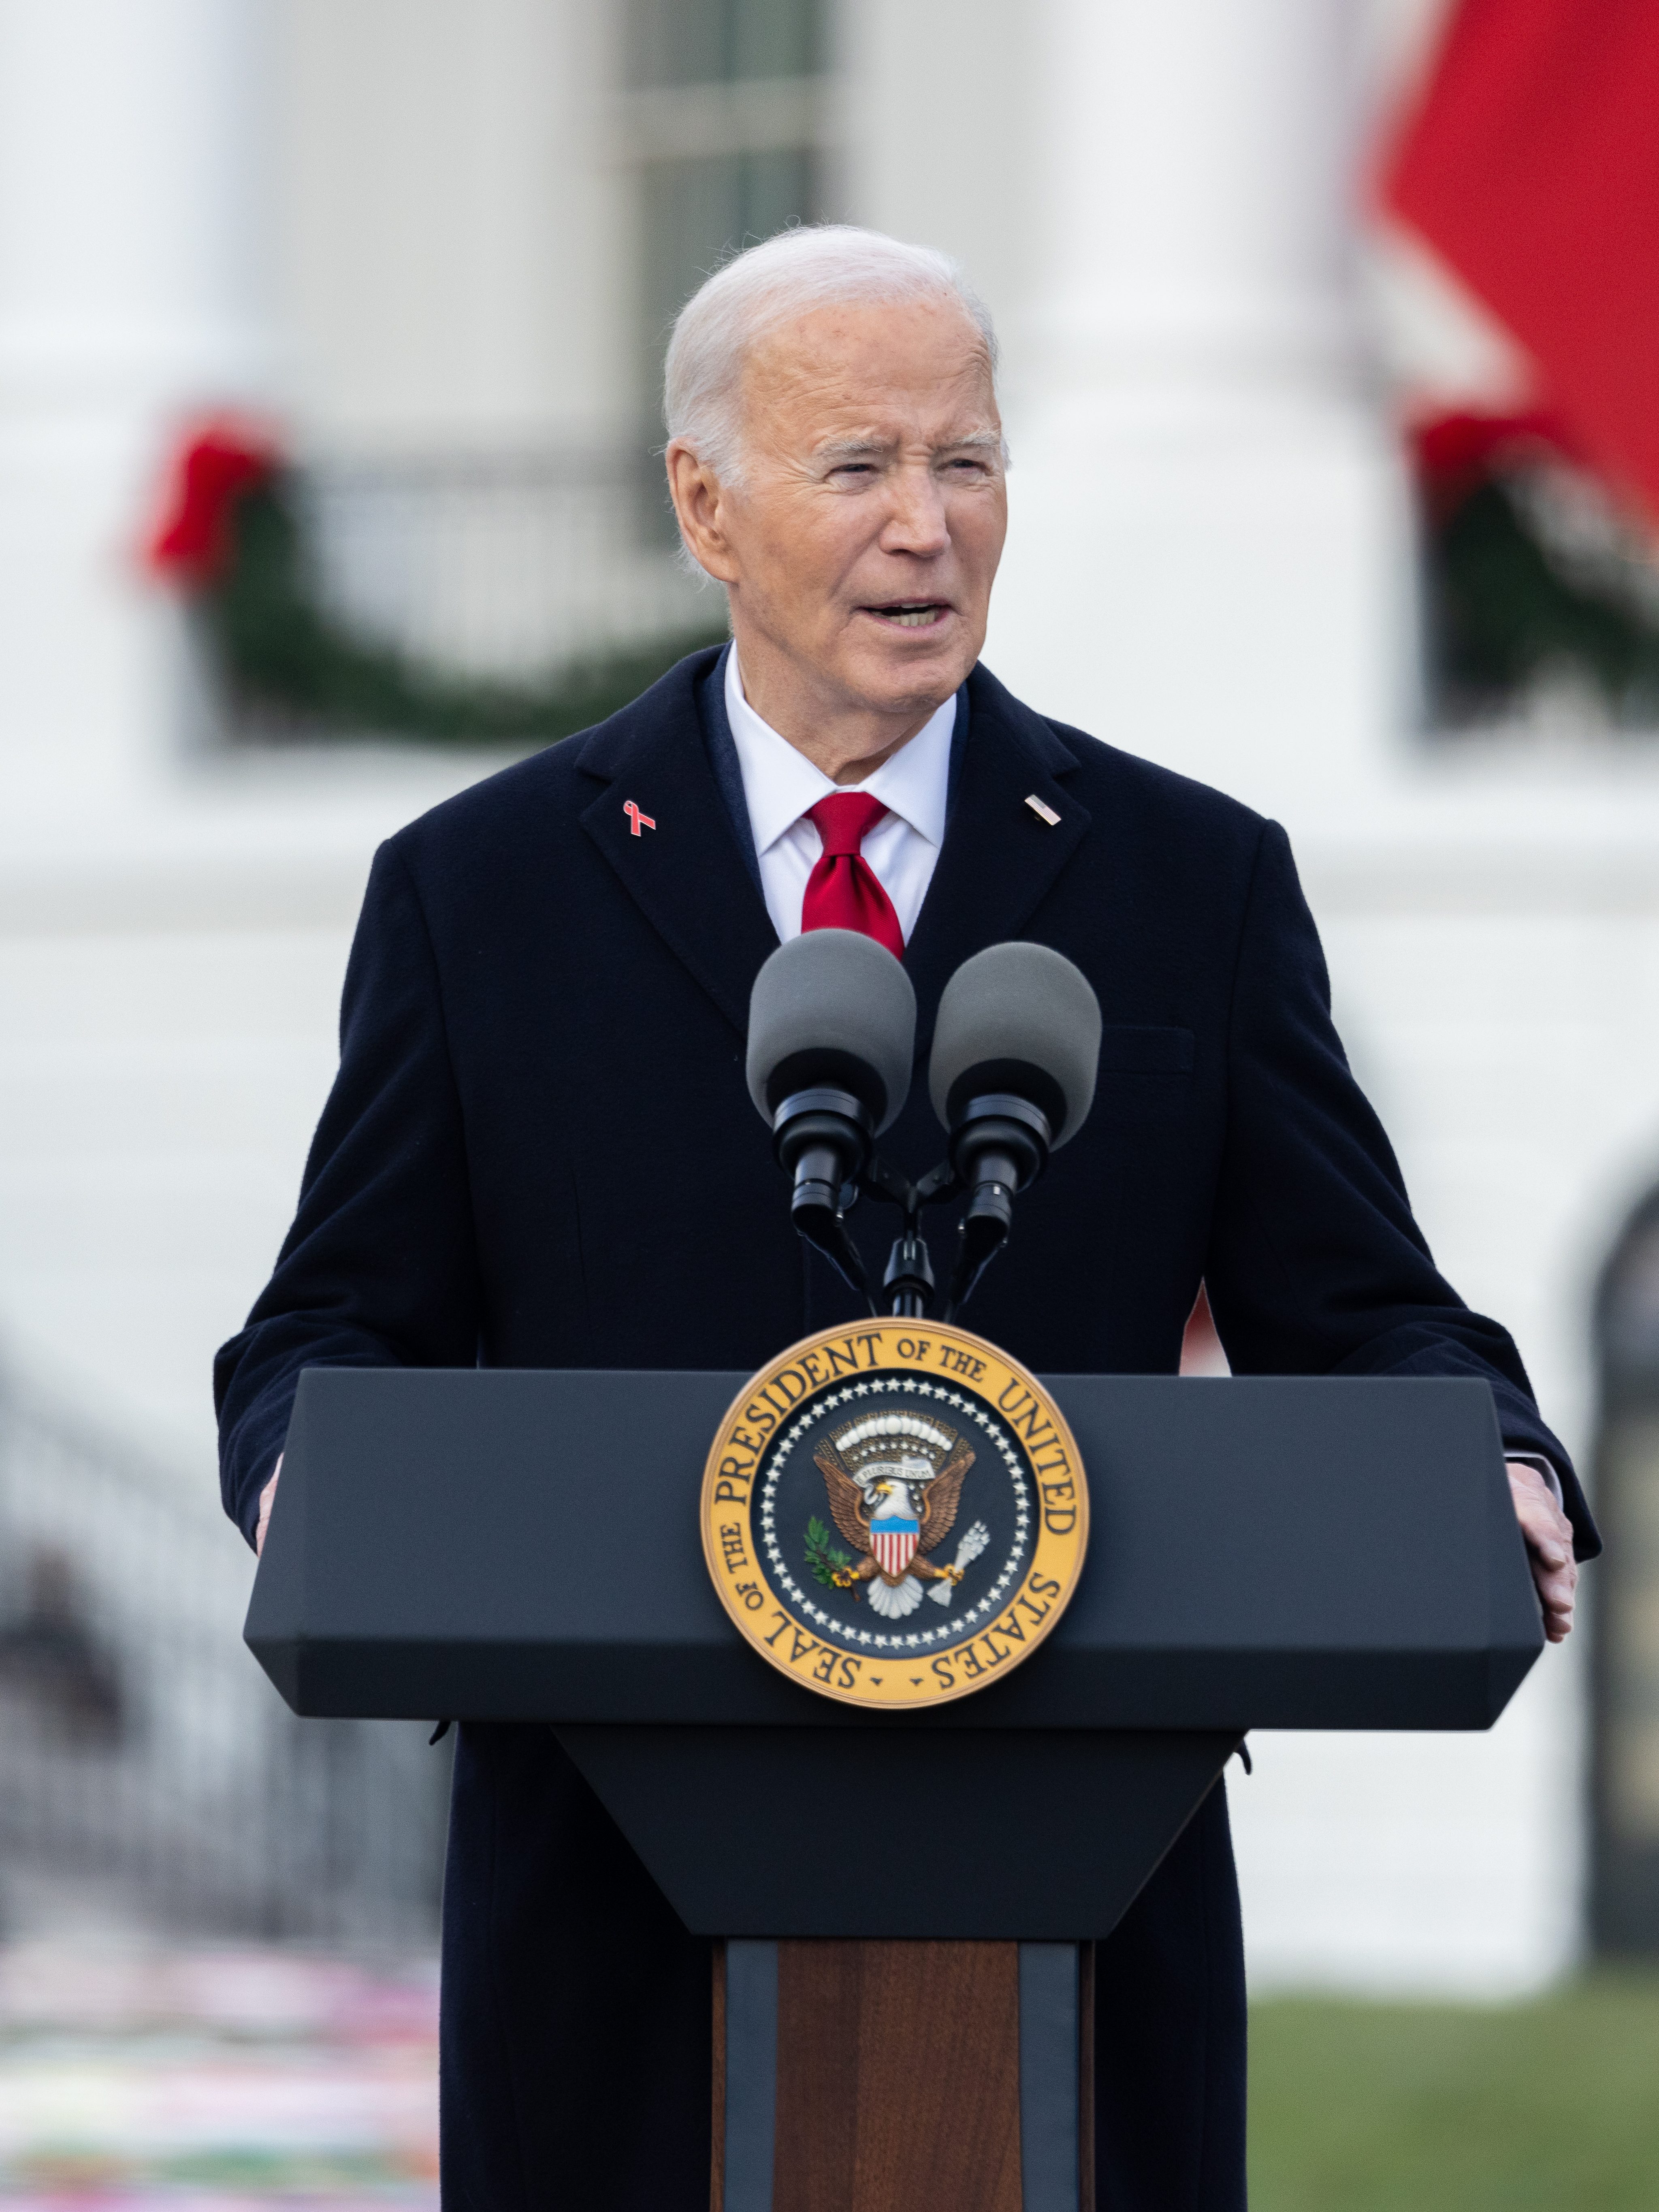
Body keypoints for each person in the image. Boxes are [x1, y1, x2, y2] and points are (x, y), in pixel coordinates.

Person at [215, 225, 1596, 2211]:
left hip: (1069, 1892)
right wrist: (304, 1474)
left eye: (970, 462)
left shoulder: (1182, 882)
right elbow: (328, 1325)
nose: (927, 529)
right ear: (706, 502)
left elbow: (1367, 1308)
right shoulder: (482, 890)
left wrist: (1499, 1449)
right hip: (609, 1921)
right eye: (858, 466)